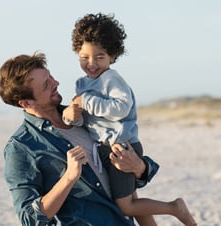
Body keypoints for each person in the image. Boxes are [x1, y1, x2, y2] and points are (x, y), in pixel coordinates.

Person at [63, 13, 197, 226]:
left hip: (121, 147)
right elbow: (86, 120)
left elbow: (121, 108)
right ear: (76, 52)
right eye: (84, 57)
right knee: (133, 201)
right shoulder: (81, 84)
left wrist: (86, 101)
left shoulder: (111, 79)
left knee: (125, 206)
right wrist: (72, 116)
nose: (91, 63)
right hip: (104, 148)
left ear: (112, 56)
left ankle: (175, 208)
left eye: (100, 57)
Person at [0, 52, 160, 226]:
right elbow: (30, 219)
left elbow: (130, 182)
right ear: (26, 103)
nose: (56, 83)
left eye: (50, 77)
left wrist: (139, 168)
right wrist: (69, 177)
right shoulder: (21, 148)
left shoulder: (86, 116)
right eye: (46, 85)